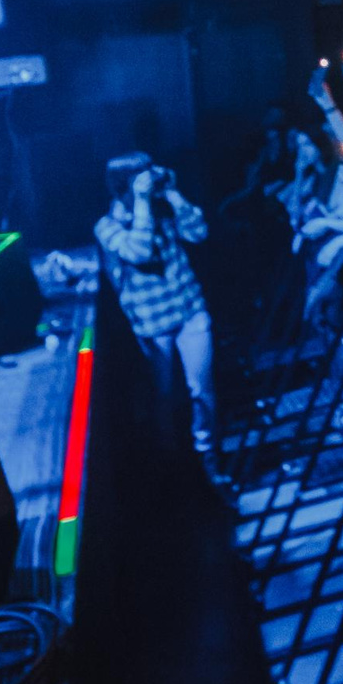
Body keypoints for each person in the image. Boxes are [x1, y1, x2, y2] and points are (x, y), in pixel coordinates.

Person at [95, 152, 216, 458]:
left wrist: (173, 193)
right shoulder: (106, 226)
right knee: (161, 395)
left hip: (190, 310)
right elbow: (139, 251)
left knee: (201, 391)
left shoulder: (165, 208)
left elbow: (199, 232)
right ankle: (170, 457)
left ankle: (208, 454)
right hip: (152, 322)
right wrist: (142, 203)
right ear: (125, 185)